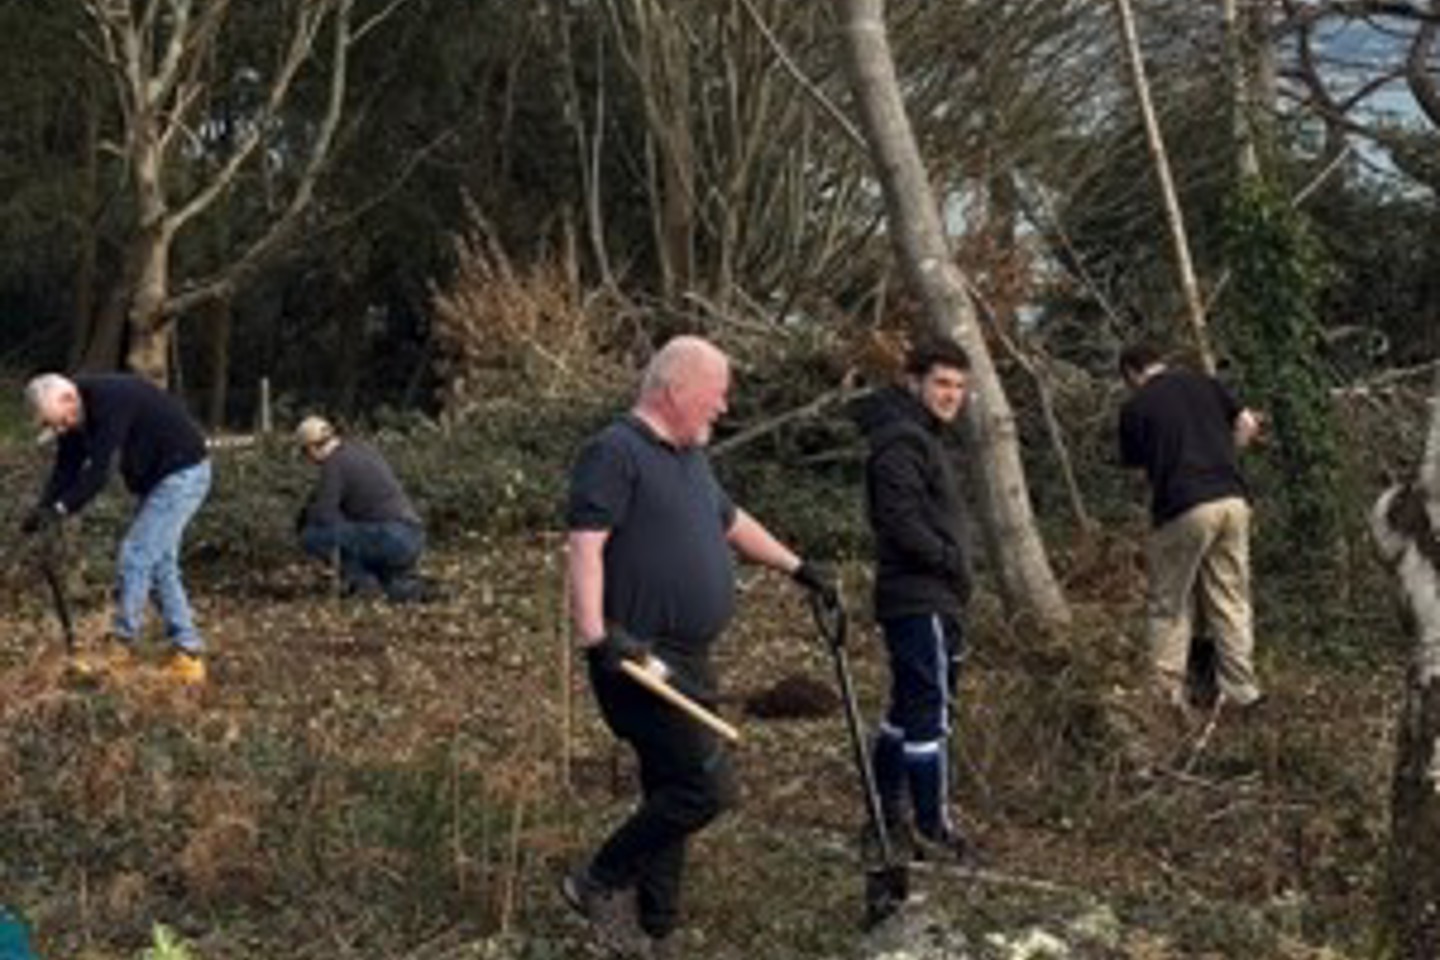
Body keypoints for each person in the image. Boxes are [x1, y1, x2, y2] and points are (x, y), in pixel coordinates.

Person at [562, 335, 835, 958]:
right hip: (637, 658)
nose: (722, 408)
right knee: (705, 789)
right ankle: (596, 880)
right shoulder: (614, 452)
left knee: (670, 786)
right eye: (716, 396)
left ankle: (656, 927)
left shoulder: (690, 458)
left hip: (688, 654)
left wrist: (801, 569)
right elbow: (586, 547)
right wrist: (599, 639)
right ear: (675, 389)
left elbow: (732, 524)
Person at [852, 338, 975, 864]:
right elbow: (898, 521)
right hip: (918, 595)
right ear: (915, 382)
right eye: (942, 383)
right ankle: (932, 827)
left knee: (907, 707)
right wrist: (949, 559)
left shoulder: (923, 437)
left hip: (932, 595)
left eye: (959, 387)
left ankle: (885, 816)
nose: (952, 395)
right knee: (930, 711)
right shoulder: (902, 441)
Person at [21, 372, 212, 685]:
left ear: (69, 399)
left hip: (183, 473)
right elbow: (66, 468)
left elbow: (98, 473)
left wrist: (61, 509)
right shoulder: (74, 412)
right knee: (160, 564)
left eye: (61, 421)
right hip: (157, 480)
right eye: (54, 425)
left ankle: (121, 646)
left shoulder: (111, 399)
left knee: (135, 555)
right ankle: (188, 655)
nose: (60, 429)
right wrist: (42, 509)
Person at [1117, 341, 1264, 723]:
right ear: (1160, 362)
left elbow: (1138, 470)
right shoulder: (1206, 382)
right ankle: (1243, 695)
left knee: (1169, 604)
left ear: (1132, 375)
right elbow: (1247, 424)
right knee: (1230, 599)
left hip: (1183, 504)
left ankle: (1168, 701)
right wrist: (1225, 457)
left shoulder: (1136, 406)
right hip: (1233, 499)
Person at [294, 415, 427, 602]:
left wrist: (306, 513)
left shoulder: (334, 463)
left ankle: (361, 583)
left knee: (311, 535)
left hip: (390, 537)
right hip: (413, 535)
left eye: (305, 453)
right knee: (391, 588)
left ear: (312, 448)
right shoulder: (362, 450)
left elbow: (324, 517)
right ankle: (408, 588)